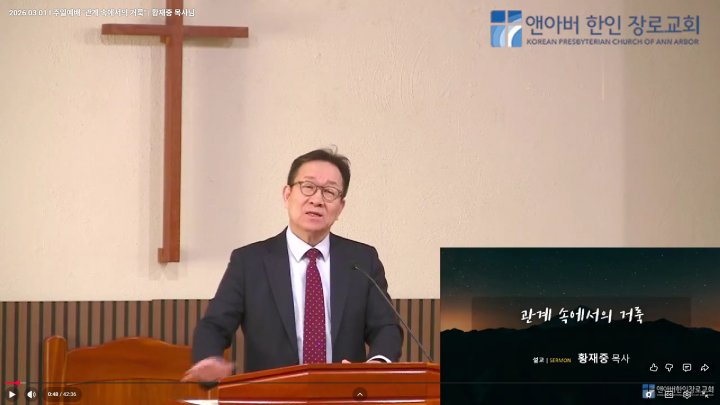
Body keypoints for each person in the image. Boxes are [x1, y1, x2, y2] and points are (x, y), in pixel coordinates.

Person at [182, 148, 403, 382]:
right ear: (287, 195)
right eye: (308, 186)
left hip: (343, 392)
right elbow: (214, 325)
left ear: (341, 207)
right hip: (271, 393)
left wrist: (376, 365)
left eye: (329, 192)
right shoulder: (249, 262)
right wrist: (208, 359)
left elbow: (386, 327)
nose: (317, 200)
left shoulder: (362, 260)